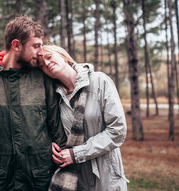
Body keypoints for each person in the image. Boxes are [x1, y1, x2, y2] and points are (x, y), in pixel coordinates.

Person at [0, 16, 67, 191]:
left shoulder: (43, 79)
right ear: (16, 45)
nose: (40, 52)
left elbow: (58, 132)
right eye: (36, 46)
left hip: (40, 182)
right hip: (0, 183)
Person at [39, 45, 129, 191]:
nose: (47, 64)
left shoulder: (100, 81)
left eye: (49, 57)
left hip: (106, 176)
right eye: (42, 65)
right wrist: (49, 143)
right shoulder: (54, 97)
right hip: (76, 179)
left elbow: (117, 131)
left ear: (63, 56)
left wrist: (77, 154)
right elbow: (54, 129)